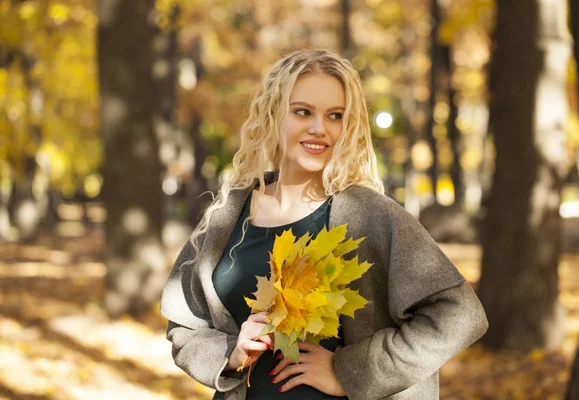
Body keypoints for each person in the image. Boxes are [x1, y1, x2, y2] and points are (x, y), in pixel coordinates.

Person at [160, 48, 488, 400]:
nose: (319, 128)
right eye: (303, 112)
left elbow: (459, 314)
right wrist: (230, 353)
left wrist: (350, 371)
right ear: (273, 115)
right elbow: (185, 326)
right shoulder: (230, 213)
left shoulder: (370, 215)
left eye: (335, 115)